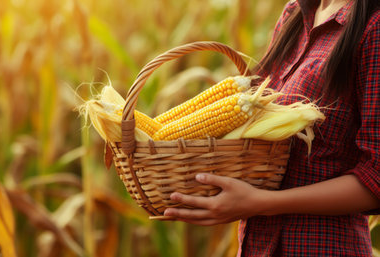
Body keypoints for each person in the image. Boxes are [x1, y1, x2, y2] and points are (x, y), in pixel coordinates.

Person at [163, 0, 380, 256]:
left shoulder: (373, 26)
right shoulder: (296, 12)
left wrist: (262, 203)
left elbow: (376, 178)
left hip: (322, 246)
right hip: (257, 245)